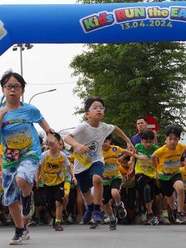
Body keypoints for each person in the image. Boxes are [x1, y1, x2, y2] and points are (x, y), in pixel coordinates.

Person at [0, 71, 56, 245]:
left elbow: (42, 121)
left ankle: (27, 196)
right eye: (8, 86)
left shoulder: (29, 110)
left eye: (16, 86)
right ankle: (20, 230)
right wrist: (2, 115)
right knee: (9, 196)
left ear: (22, 90)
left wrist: (49, 133)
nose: (12, 90)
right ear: (3, 90)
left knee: (22, 179)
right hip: (10, 157)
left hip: (30, 152)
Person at [64, 96, 135, 229]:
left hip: (96, 160)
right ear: (87, 113)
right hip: (81, 165)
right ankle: (90, 208)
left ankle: (96, 209)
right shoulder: (83, 127)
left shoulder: (104, 127)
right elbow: (67, 138)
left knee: (97, 179)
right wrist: (77, 145)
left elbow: (116, 128)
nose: (99, 110)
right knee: (85, 192)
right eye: (95, 108)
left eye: (101, 108)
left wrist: (128, 141)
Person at [151, 124, 186, 224]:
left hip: (175, 173)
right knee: (169, 197)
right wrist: (157, 168)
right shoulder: (161, 150)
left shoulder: (180, 146)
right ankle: (174, 210)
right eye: (170, 139)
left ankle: (180, 213)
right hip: (164, 176)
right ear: (166, 138)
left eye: (175, 139)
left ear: (179, 139)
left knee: (180, 188)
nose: (172, 142)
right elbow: (153, 157)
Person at [36, 132, 75, 231]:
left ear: (59, 142)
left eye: (54, 141)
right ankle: (54, 217)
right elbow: (38, 167)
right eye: (50, 142)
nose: (52, 144)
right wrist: (37, 179)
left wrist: (73, 176)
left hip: (59, 181)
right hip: (47, 181)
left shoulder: (62, 156)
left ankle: (58, 222)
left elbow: (69, 166)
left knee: (59, 202)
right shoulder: (44, 155)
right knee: (51, 204)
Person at [125, 129, 159, 225]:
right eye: (145, 142)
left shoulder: (156, 149)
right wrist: (132, 166)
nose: (148, 144)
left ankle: (149, 212)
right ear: (141, 141)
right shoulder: (138, 146)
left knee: (151, 194)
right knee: (146, 189)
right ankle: (149, 213)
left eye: (150, 142)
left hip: (152, 174)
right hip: (140, 172)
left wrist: (158, 172)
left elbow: (159, 161)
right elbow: (133, 154)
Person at [101, 134, 129, 230]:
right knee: (105, 203)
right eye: (101, 141)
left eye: (105, 141)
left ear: (110, 141)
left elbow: (125, 151)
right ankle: (112, 218)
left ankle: (119, 205)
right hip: (104, 180)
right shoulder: (97, 153)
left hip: (115, 177)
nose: (103, 144)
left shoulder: (114, 149)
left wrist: (135, 154)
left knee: (115, 192)